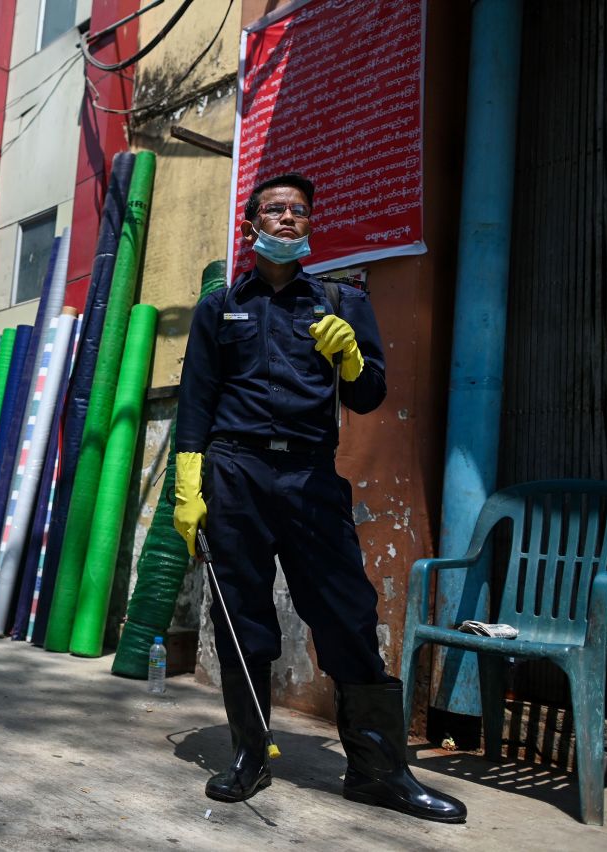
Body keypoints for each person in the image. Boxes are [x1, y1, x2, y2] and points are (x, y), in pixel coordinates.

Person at [173, 173, 466, 823]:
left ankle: (378, 770)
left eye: (297, 212)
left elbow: (367, 398)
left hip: (310, 477)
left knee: (346, 613)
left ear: (309, 227)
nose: (286, 219)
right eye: (273, 210)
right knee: (243, 623)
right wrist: (187, 490)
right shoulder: (219, 308)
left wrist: (354, 361)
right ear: (251, 226)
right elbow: (195, 404)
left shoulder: (342, 301)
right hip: (235, 474)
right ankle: (250, 754)